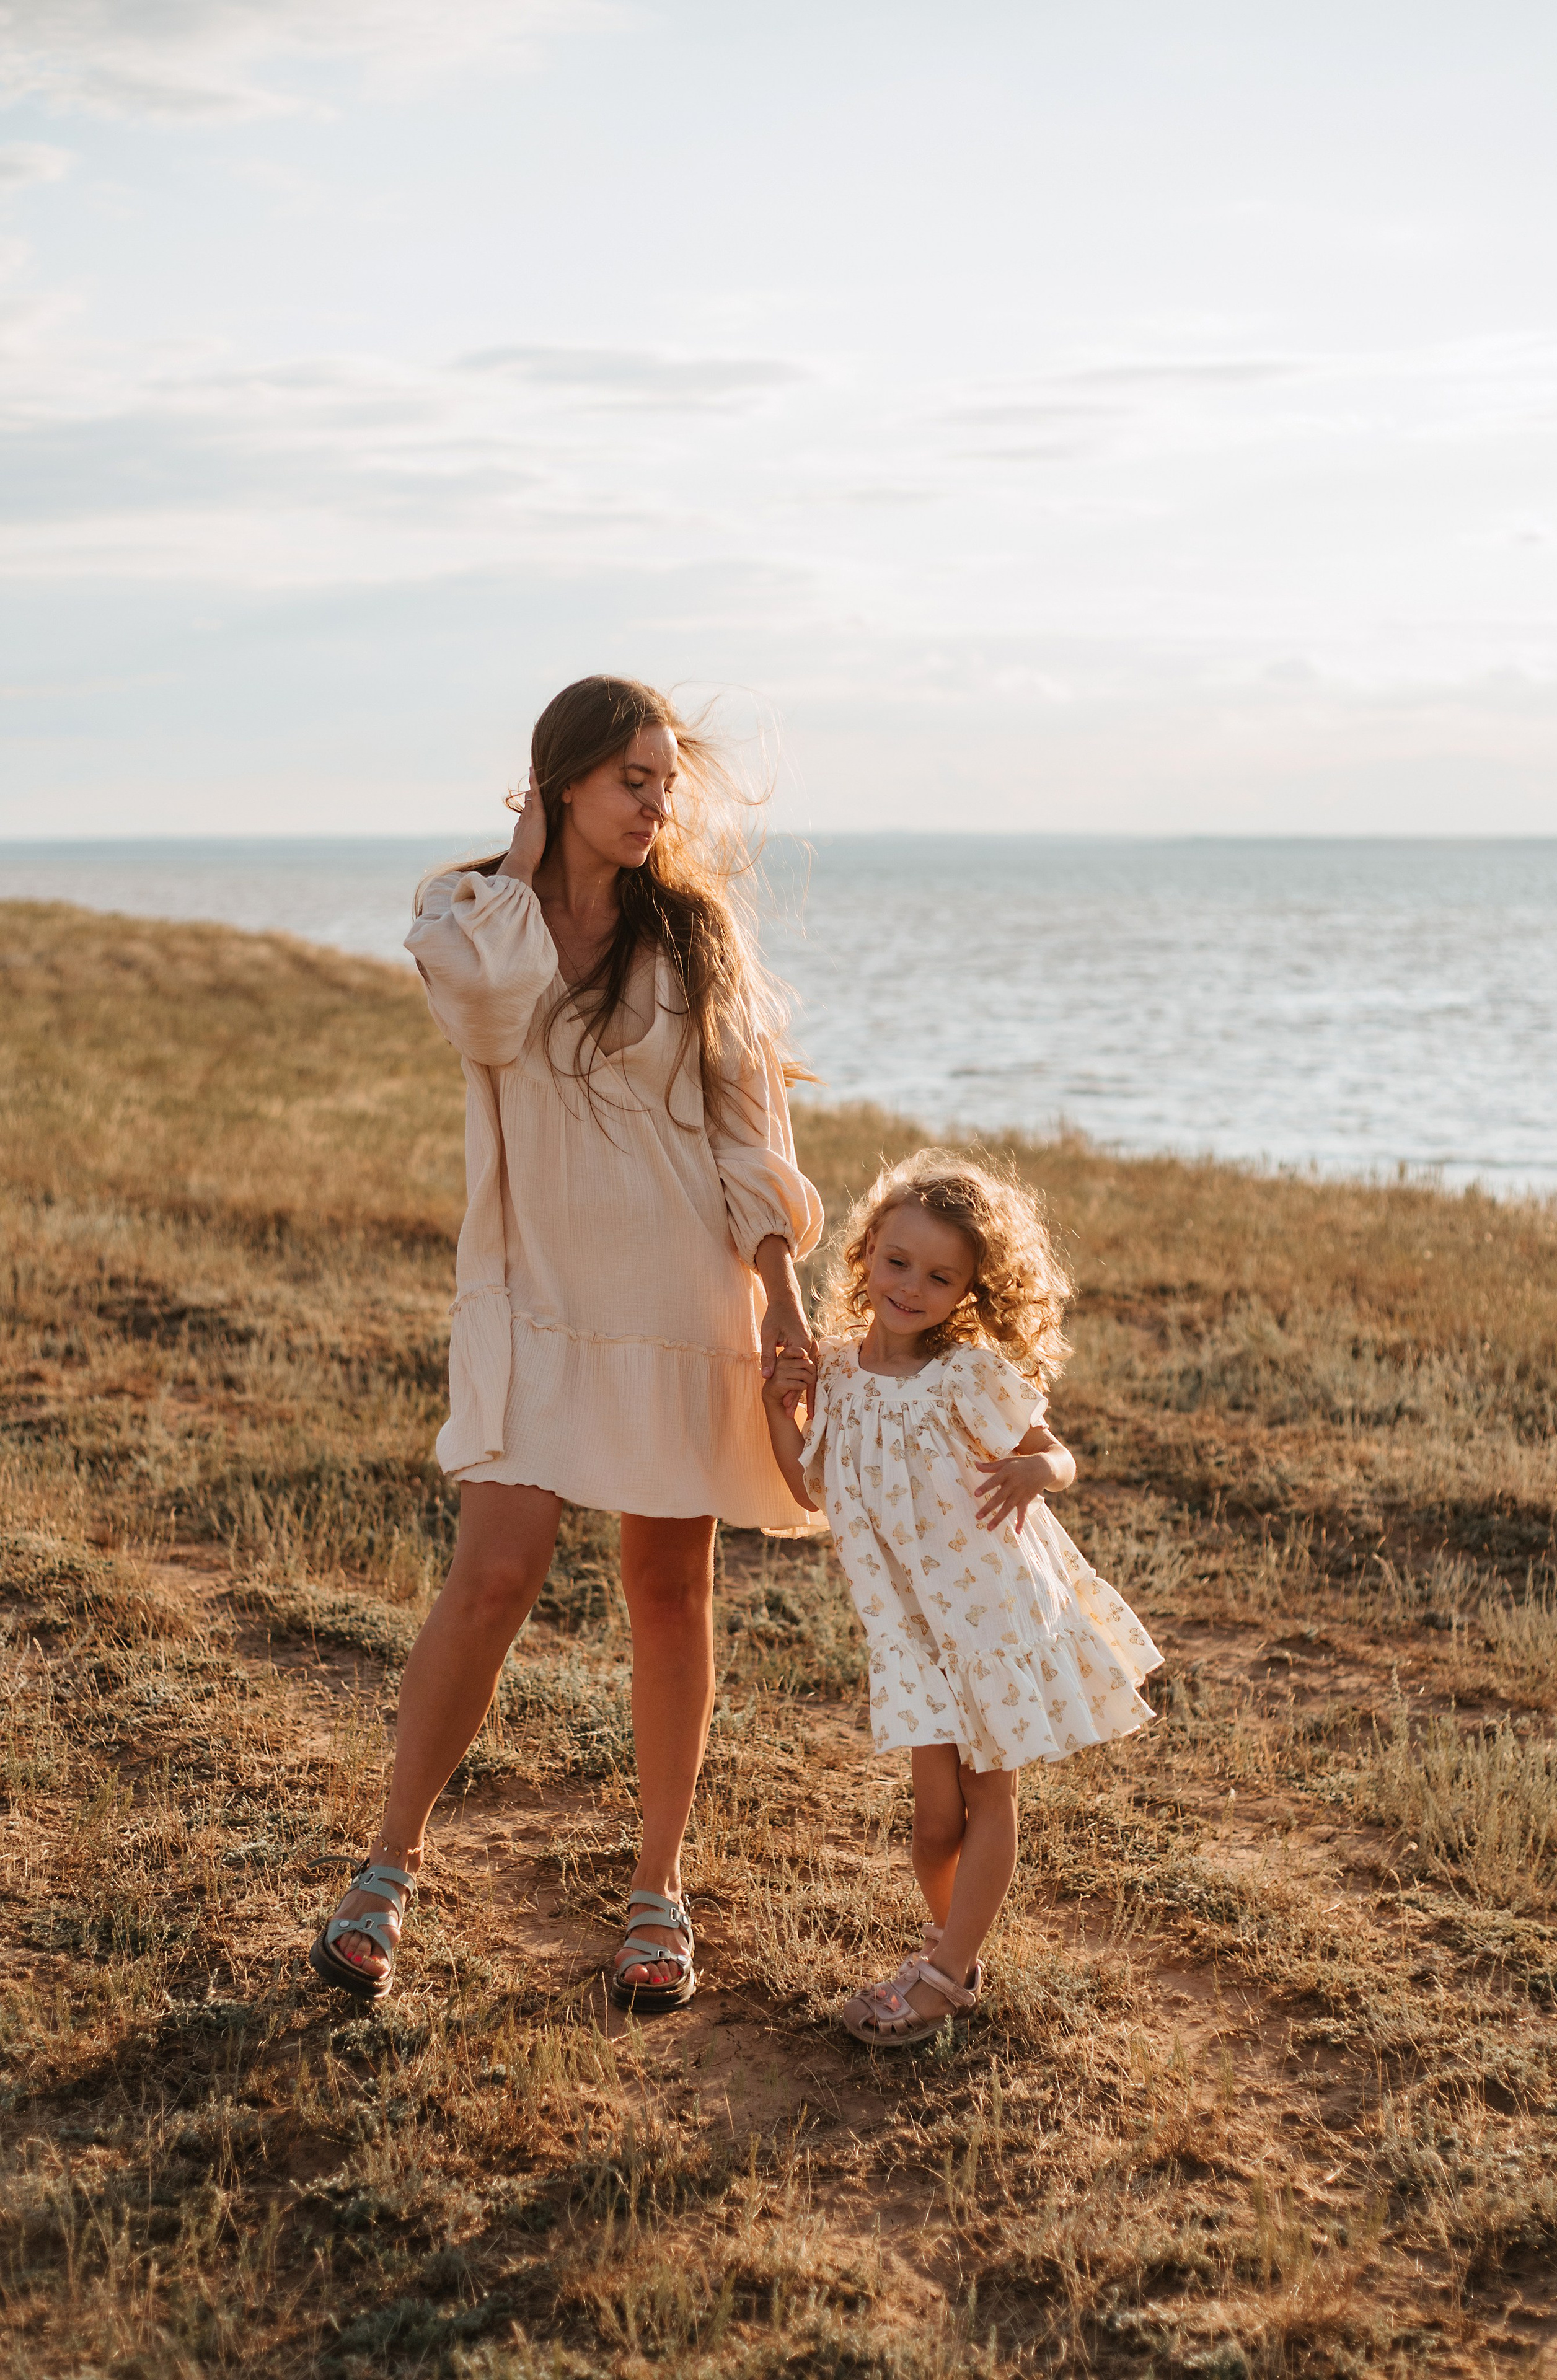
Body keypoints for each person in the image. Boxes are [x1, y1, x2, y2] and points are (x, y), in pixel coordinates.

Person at [310, 676, 822, 2011]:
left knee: (668, 1590)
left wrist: (782, 1305)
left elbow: (744, 1135)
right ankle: (384, 1870)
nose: (659, 804)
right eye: (632, 781)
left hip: (678, 1301)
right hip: (531, 1293)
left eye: (667, 783)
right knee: (494, 1573)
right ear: (562, 786)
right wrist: (528, 864)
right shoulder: (473, 913)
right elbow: (482, 1014)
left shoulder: (693, 937)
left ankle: (657, 1894)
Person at [761, 1152, 1160, 2048]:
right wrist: (775, 1412)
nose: (913, 1287)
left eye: (941, 1276)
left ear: (969, 1288)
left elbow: (1055, 1452)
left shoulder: (967, 1377)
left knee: (989, 1798)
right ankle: (955, 1949)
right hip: (907, 1632)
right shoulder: (837, 1374)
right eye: (898, 1263)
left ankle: (944, 1977)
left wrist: (1036, 1471)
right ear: (866, 1254)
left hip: (987, 1617)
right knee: (933, 1819)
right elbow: (807, 1492)